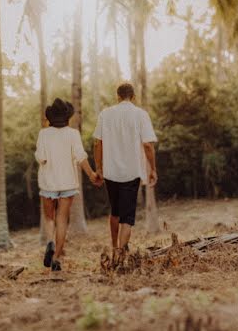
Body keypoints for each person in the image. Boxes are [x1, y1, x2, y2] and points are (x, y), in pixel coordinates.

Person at [93, 82, 158, 267]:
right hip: (131, 172)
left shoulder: (105, 114)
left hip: (111, 172)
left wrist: (98, 168)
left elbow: (97, 143)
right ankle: (120, 257)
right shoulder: (140, 114)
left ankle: (115, 248)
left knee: (115, 212)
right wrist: (152, 168)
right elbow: (148, 145)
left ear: (118, 96)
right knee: (127, 217)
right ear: (134, 96)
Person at [35, 98, 98, 271]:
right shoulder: (72, 134)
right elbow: (81, 156)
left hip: (48, 184)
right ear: (67, 117)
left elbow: (41, 157)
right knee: (62, 220)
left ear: (50, 118)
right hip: (68, 183)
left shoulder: (43, 134)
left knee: (49, 218)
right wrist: (92, 174)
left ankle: (50, 242)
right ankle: (56, 259)